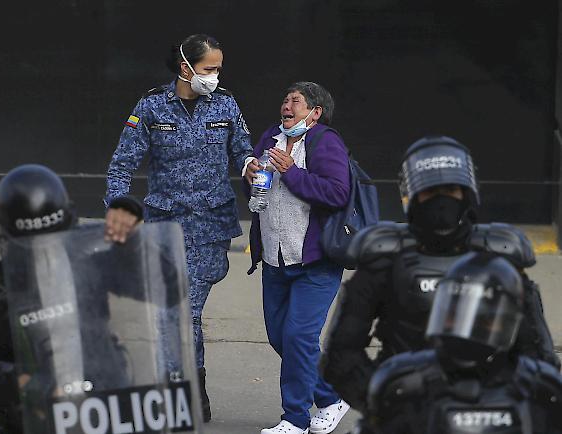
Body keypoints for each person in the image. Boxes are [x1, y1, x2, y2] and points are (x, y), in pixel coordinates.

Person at [320, 136, 559, 413]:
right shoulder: (385, 258)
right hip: (405, 408)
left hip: (486, 407)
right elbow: (341, 354)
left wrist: (509, 405)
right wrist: (382, 403)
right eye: (431, 193)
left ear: (467, 194)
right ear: (414, 197)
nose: (441, 201)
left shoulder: (499, 255)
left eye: (450, 190)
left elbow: (537, 354)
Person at [0, 164, 143, 434]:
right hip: (25, 423)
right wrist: (28, 383)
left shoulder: (92, 267)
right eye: (30, 249)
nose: (42, 257)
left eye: (51, 243)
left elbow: (169, 290)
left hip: (101, 416)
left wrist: (133, 244)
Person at [105, 33, 253, 422]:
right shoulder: (152, 106)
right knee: (172, 314)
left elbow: (243, 151)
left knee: (183, 312)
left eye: (219, 68)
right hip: (164, 226)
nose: (216, 76)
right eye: (210, 68)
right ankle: (187, 392)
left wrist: (251, 166)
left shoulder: (225, 103)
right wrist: (119, 208)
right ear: (186, 67)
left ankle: (185, 391)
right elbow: (121, 166)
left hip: (209, 226)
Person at [356, 252, 562, 434]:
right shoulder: (400, 383)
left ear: (510, 324)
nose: (466, 329)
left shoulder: (541, 387)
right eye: (454, 316)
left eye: (484, 320)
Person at [245, 82, 351, 434]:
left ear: (315, 112)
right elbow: (258, 185)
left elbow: (337, 193)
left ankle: (294, 419)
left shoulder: (325, 142)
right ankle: (331, 397)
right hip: (275, 260)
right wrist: (251, 174)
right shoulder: (270, 139)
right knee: (281, 338)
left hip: (315, 263)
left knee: (299, 338)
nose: (286, 106)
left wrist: (292, 171)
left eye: (296, 101)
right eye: (285, 100)